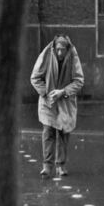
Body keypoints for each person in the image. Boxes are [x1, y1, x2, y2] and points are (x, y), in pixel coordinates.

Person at [30, 34, 84, 177]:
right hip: (48, 101)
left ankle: (61, 165)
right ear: (54, 48)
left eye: (63, 50)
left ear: (67, 49)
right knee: (48, 132)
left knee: (63, 133)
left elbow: (79, 80)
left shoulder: (73, 56)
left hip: (65, 101)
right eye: (58, 49)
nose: (60, 53)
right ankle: (47, 166)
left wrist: (64, 92)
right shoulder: (47, 54)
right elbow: (35, 78)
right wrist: (46, 93)